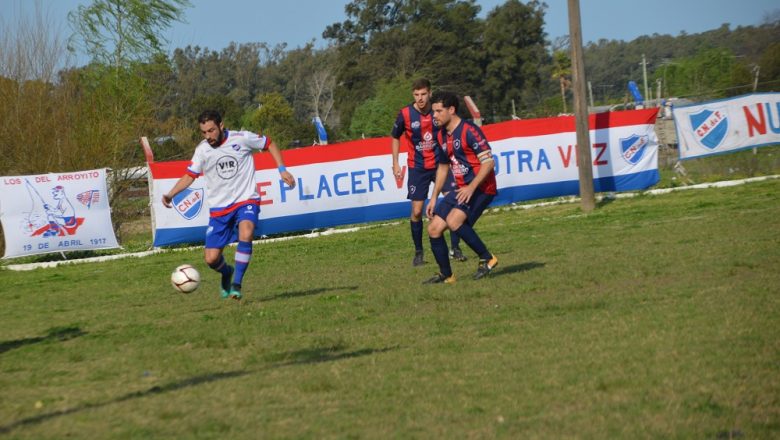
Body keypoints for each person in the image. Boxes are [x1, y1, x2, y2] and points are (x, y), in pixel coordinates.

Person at [162, 110, 295, 300]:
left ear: (221, 126)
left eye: (211, 130)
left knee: (246, 233)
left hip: (246, 199)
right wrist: (171, 194)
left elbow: (269, 143)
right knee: (211, 259)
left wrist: (282, 170)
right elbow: (190, 175)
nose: (208, 136)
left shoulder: (242, 139)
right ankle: (227, 272)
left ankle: (237, 284)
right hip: (219, 209)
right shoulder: (202, 150)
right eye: (204, 132)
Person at [423, 91, 499, 284]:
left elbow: (488, 163)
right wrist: (433, 198)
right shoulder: (441, 135)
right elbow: (442, 167)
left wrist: (471, 188)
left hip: (482, 187)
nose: (435, 116)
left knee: (454, 221)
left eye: (439, 111)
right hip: (461, 188)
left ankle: (487, 257)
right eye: (433, 112)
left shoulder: (469, 131)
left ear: (452, 110)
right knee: (434, 228)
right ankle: (447, 275)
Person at [391, 78, 466, 267]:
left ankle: (455, 249)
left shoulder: (437, 111)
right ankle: (418, 253)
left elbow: (453, 128)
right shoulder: (405, 114)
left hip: (441, 165)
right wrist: (395, 163)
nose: (420, 98)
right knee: (416, 211)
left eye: (423, 94)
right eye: (416, 95)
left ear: (430, 93)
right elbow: (394, 137)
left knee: (453, 204)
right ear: (413, 95)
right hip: (418, 167)